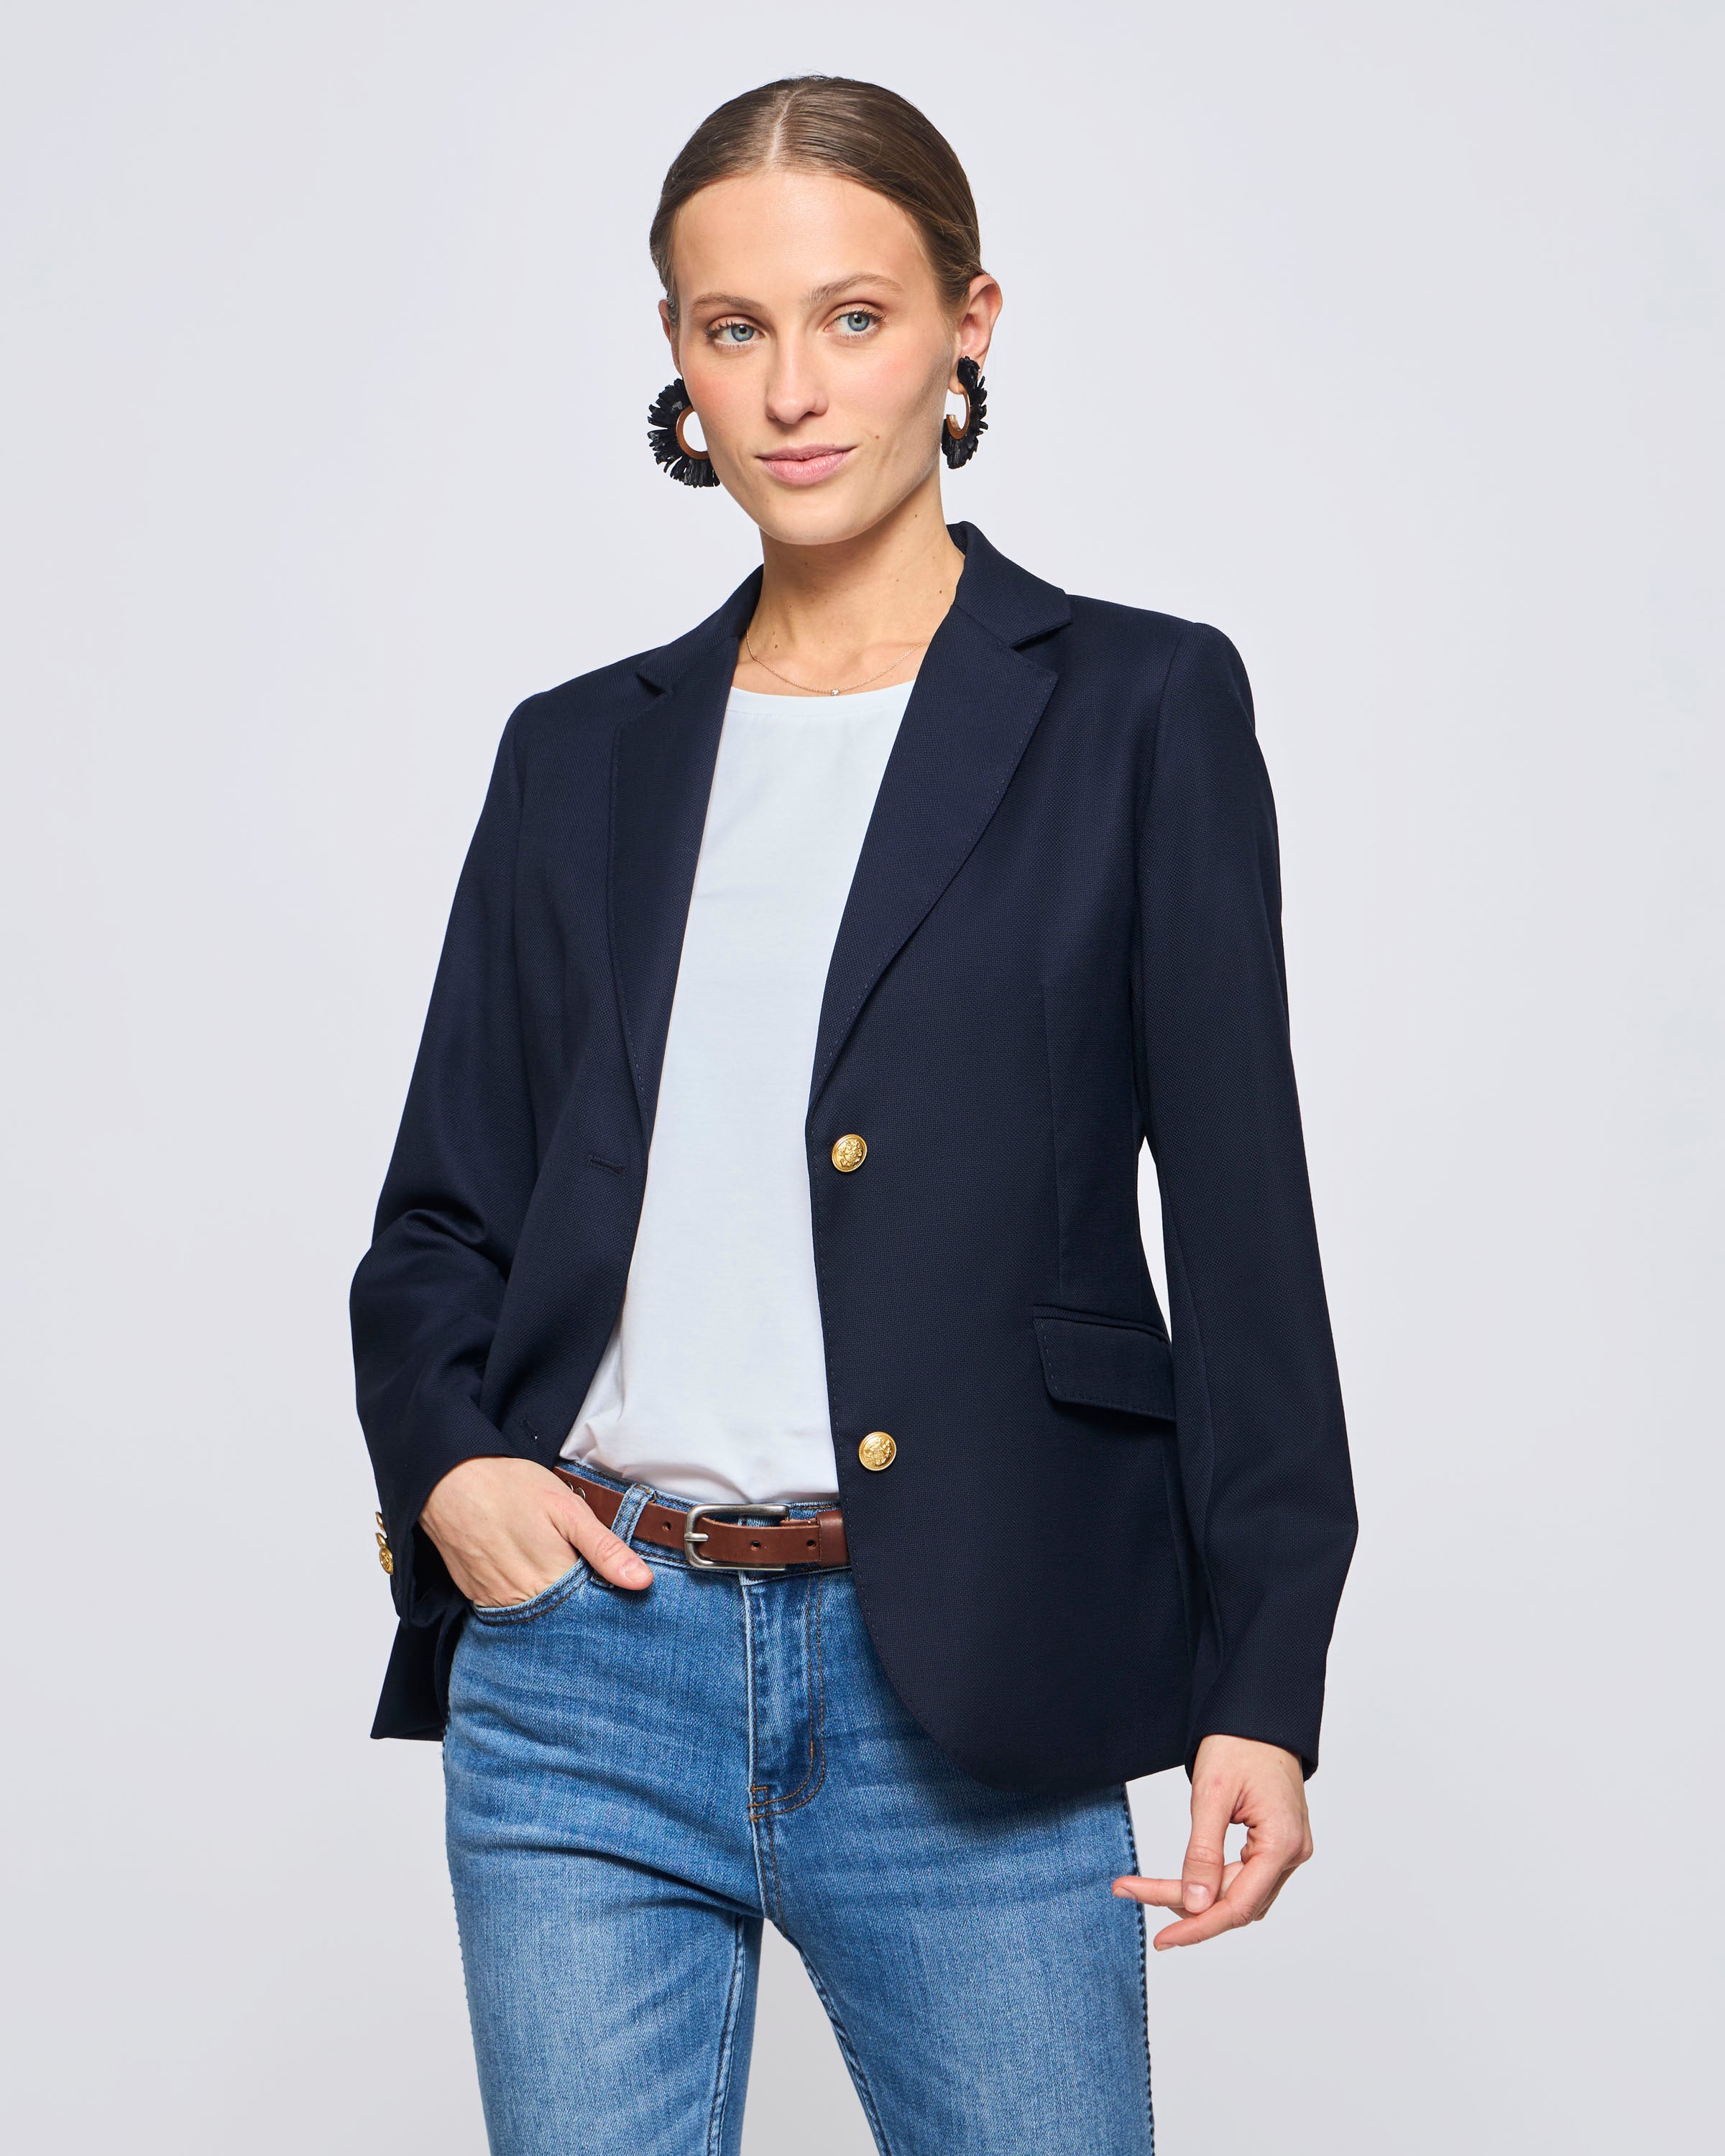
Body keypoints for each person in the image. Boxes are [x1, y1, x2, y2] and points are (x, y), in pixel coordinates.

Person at [351, 73, 1356, 2156]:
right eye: (736, 328)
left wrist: (1264, 1679)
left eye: (855, 317)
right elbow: (442, 1218)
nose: (794, 390)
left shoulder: (1140, 709)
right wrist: (452, 1470)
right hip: (588, 1669)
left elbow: (1244, 1228)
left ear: (968, 324)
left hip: (969, 1679)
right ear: (678, 354)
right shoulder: (577, 756)